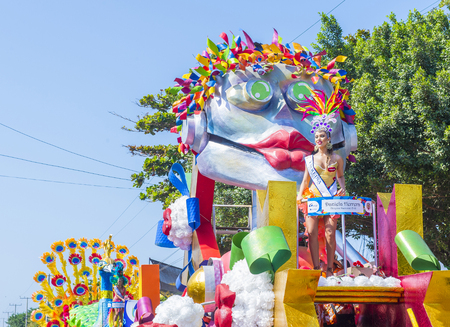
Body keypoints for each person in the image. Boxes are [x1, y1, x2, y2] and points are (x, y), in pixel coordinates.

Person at [297, 127, 346, 277]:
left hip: (331, 199)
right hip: (313, 198)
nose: (319, 139)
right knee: (311, 233)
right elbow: (305, 180)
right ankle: (316, 268)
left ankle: (330, 269)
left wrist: (343, 188)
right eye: (317, 136)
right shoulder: (310, 160)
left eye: (322, 136)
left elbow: (340, 177)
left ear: (328, 139)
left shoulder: (337, 159)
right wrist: (299, 196)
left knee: (330, 234)